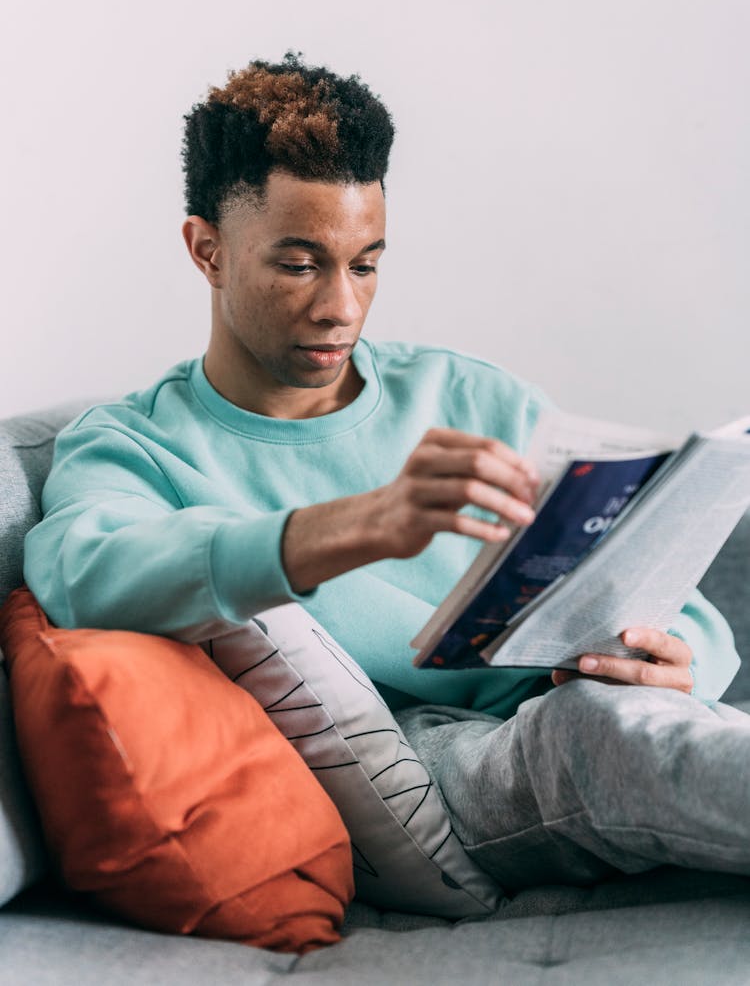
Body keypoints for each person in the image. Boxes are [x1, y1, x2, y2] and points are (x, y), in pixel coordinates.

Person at [23, 54, 749, 891]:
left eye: (365, 263)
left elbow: (683, 602)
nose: (341, 306)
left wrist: (675, 651)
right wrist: (357, 525)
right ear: (207, 250)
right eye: (299, 264)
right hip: (435, 756)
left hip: (598, 706)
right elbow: (82, 575)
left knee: (629, 717)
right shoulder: (132, 445)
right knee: (595, 734)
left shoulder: (464, 392)